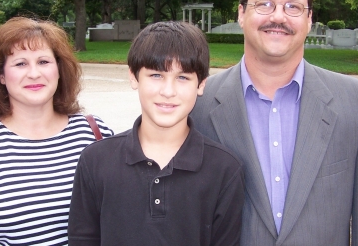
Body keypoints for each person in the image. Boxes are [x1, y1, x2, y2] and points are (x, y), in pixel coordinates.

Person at [191, 0, 358, 245]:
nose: (278, 16)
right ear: (241, 14)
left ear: (308, 20)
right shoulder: (198, 104)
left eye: (293, 7)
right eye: (264, 4)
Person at [0, 17, 113, 245]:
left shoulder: (94, 134)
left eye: (43, 62)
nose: (34, 73)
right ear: (0, 75)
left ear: (59, 69)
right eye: (20, 64)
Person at [68, 21, 245, 245]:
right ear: (134, 77)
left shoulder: (225, 169)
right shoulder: (95, 161)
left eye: (183, 77)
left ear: (201, 85)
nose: (168, 91)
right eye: (156, 75)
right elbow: (82, 238)